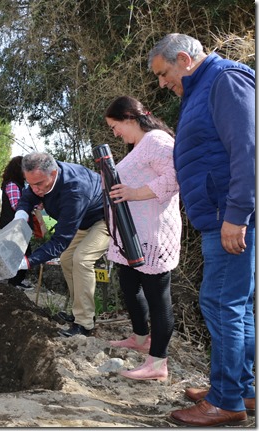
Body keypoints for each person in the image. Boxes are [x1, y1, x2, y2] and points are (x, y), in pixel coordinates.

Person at [147, 33, 255, 427]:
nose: (162, 83)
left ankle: (226, 401)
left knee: (220, 304)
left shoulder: (224, 79)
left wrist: (237, 213)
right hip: (218, 214)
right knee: (236, 306)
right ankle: (243, 390)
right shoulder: (199, 89)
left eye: (163, 74)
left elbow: (247, 147)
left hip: (228, 214)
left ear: (182, 59)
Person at [102, 96, 181, 381]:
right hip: (133, 236)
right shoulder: (140, 145)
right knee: (129, 284)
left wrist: (133, 193)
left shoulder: (158, 140)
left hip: (154, 235)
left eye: (115, 126)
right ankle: (140, 337)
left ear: (129, 118)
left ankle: (158, 363)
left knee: (158, 296)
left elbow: (174, 178)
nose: (115, 133)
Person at [14, 152, 110, 337]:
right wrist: (21, 216)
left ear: (53, 172)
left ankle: (84, 324)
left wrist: (28, 261)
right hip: (81, 222)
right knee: (67, 259)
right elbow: (27, 198)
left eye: (39, 184)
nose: (35, 189)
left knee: (81, 259)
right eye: (30, 184)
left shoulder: (75, 189)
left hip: (104, 218)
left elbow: (61, 240)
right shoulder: (39, 178)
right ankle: (79, 312)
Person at [0, 155, 33, 291]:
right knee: (22, 253)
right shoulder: (12, 185)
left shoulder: (18, 184)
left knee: (20, 253)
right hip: (14, 226)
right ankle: (14, 282)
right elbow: (16, 205)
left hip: (16, 226)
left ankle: (16, 281)